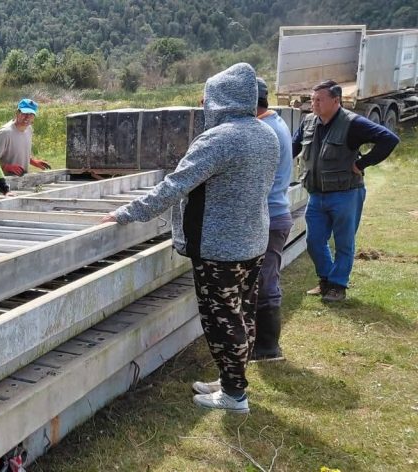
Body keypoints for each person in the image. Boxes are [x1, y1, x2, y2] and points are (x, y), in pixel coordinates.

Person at [101, 63, 280, 413]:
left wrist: (126, 213)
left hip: (220, 249)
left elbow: (174, 186)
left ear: (220, 99)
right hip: (253, 241)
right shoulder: (266, 134)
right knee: (242, 314)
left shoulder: (219, 138)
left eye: (207, 98)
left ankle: (234, 397)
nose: (204, 105)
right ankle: (233, 380)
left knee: (221, 322)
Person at [293, 80, 399, 302]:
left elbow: (389, 139)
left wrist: (362, 164)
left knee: (344, 242)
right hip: (316, 195)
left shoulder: (353, 123)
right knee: (314, 241)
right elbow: (292, 149)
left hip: (346, 193)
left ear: (336, 100)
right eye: (312, 99)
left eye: (319, 100)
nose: (314, 104)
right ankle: (326, 280)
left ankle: (338, 286)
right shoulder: (309, 122)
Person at [251, 77, 295, 362]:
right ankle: (262, 344)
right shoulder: (276, 123)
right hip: (275, 213)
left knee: (266, 280)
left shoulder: (263, 130)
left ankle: (267, 348)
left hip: (270, 215)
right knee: (264, 277)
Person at [0, 98, 52, 176]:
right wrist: (5, 167)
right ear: (17, 113)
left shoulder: (29, 129)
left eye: (31, 114)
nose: (27, 117)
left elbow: (18, 152)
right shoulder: (5, 133)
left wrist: (33, 161)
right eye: (24, 113)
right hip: (3, 182)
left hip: (22, 181)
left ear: (34, 117)